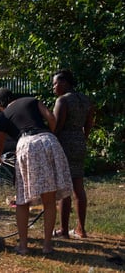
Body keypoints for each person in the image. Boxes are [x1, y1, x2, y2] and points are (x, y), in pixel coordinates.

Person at [0, 87, 72, 255]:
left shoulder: (4, 115)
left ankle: (23, 246)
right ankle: (47, 245)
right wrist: (50, 133)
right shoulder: (31, 100)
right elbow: (51, 118)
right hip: (49, 140)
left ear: (1, 105)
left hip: (27, 144)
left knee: (22, 199)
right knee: (49, 200)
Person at [52, 69, 94, 239]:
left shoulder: (62, 101)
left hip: (65, 144)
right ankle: (81, 229)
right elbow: (89, 124)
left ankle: (63, 230)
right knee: (78, 186)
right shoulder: (86, 100)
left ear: (64, 83)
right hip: (79, 142)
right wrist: (82, 138)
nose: (54, 87)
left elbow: (57, 127)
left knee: (64, 189)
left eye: (55, 83)